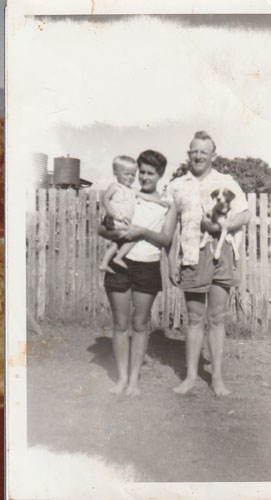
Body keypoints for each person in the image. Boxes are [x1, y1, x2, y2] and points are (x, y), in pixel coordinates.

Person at [118, 131, 249, 397]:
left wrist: (224, 224)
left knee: (217, 316)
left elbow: (244, 215)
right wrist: (170, 259)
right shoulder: (178, 185)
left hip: (221, 252)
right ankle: (190, 377)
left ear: (213, 155)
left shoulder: (226, 181)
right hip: (190, 253)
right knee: (195, 317)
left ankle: (218, 379)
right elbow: (168, 222)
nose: (198, 155)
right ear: (189, 155)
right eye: (194, 151)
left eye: (204, 151)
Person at [97, 150, 171, 395]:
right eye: (142, 172)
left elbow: (166, 239)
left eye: (150, 173)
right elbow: (102, 228)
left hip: (147, 264)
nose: (144, 177)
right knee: (120, 323)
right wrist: (117, 233)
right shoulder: (124, 192)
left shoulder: (166, 203)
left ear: (160, 175)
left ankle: (134, 382)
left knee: (140, 324)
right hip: (121, 264)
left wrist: (141, 232)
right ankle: (121, 379)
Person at [100, 156, 171, 273]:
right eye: (126, 174)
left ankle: (105, 262)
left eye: (133, 174)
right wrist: (109, 211)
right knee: (132, 238)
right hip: (116, 219)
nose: (130, 177)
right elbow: (105, 198)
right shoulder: (115, 187)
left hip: (124, 221)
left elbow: (146, 197)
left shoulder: (131, 190)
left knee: (117, 243)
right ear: (116, 173)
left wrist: (159, 201)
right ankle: (117, 258)